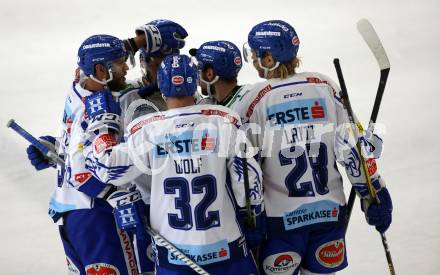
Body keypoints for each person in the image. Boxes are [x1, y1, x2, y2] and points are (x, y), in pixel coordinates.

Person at [223, 20, 392, 274]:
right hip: (329, 218)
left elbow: (244, 170)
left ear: (269, 59)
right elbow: (355, 152)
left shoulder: (251, 100)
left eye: (256, 54)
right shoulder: (325, 86)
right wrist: (375, 195)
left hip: (280, 225)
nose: (254, 59)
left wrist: (249, 217)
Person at [25, 21, 189, 274]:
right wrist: (118, 197)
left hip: (73, 213)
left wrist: (62, 150)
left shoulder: (80, 86)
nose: (126, 67)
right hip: (98, 212)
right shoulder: (105, 103)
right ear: (101, 69)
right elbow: (83, 172)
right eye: (121, 62)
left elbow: (80, 153)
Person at [80, 54, 263, 275]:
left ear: (162, 88)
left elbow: (106, 167)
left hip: (173, 253)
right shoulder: (223, 121)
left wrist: (102, 124)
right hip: (228, 246)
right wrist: (255, 218)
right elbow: (247, 180)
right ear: (194, 84)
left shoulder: (146, 130)